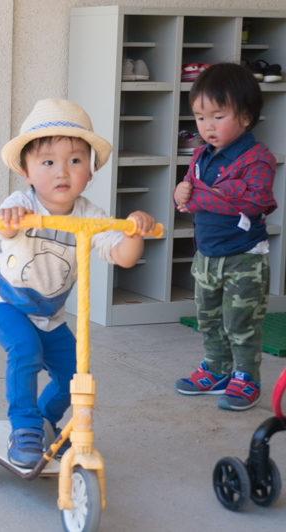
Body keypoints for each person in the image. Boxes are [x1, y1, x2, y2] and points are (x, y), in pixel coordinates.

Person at [0, 99, 157, 468]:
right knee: (25, 351)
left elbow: (123, 255)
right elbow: (2, 227)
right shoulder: (22, 204)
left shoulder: (91, 215)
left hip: (49, 315)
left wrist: (134, 231)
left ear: (90, 171)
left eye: (75, 160)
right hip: (3, 302)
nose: (62, 171)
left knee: (76, 375)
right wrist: (11, 218)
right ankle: (24, 427)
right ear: (26, 172)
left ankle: (45, 421)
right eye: (48, 162)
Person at [173, 63, 277, 411]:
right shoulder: (201, 155)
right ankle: (216, 369)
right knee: (209, 319)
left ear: (245, 117)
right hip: (206, 254)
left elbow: (253, 201)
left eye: (218, 116)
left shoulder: (257, 158)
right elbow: (189, 194)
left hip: (244, 258)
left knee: (240, 322)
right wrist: (181, 194)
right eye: (200, 117)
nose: (207, 126)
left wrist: (200, 196)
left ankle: (247, 377)